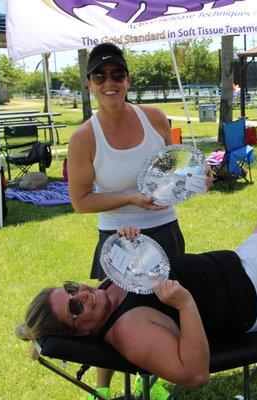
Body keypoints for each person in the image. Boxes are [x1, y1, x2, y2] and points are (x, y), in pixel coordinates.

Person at [17, 201, 257, 387]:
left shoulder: (109, 284)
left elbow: (158, 267)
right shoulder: (129, 332)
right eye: (74, 307)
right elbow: (194, 374)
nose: (83, 293)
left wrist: (135, 245)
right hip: (255, 291)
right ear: (79, 331)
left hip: (242, 267)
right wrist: (184, 305)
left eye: (71, 288)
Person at [67, 42, 190, 399]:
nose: (110, 82)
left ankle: (149, 378)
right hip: (117, 239)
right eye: (100, 75)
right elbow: (81, 201)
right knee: (109, 315)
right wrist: (131, 198)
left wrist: (198, 176)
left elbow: (173, 170)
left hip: (166, 229)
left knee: (163, 307)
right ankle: (102, 391)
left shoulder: (154, 119)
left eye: (117, 74)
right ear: (89, 83)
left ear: (128, 79)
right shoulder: (84, 138)